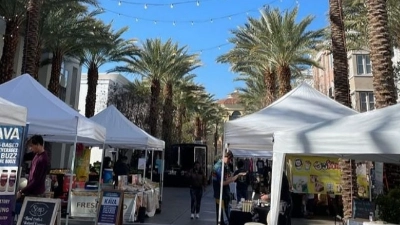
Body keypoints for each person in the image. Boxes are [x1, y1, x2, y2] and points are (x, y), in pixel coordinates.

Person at [212, 150, 247, 225]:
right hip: (220, 195)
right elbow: (223, 183)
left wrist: (235, 176)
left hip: (224, 194)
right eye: (229, 159)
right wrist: (235, 177)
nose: (230, 161)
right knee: (221, 217)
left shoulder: (224, 166)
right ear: (225, 157)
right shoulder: (218, 167)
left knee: (227, 215)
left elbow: (227, 178)